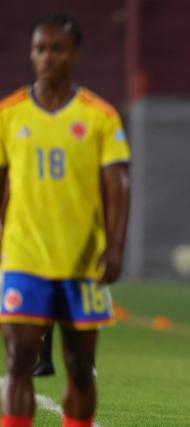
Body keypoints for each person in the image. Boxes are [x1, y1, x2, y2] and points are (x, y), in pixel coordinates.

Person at [0, 13, 131, 427]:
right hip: (23, 258)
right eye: (40, 49)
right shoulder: (8, 113)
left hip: (81, 262)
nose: (48, 57)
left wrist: (114, 247)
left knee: (78, 365)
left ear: (74, 54)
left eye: (58, 48)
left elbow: (117, 187)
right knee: (20, 359)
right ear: (31, 53)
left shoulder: (100, 116)